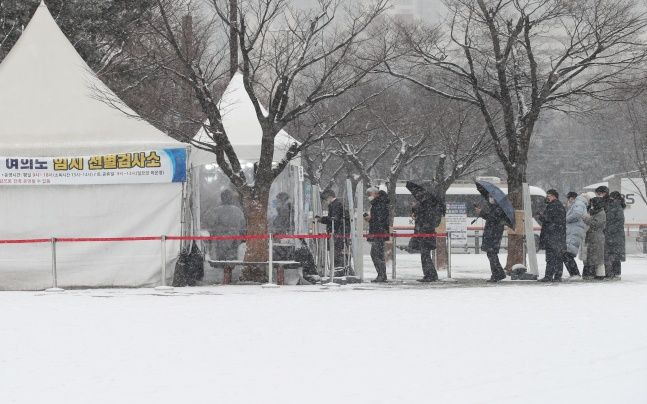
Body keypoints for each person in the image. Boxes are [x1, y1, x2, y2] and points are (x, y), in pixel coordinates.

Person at [405, 181, 444, 282]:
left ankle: (431, 275)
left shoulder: (430, 204)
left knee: (425, 254)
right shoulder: (425, 204)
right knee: (424, 255)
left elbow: (429, 220)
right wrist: (415, 210)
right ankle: (429, 274)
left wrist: (419, 215)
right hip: (423, 233)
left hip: (426, 233)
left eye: (419, 192)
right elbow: (422, 217)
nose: (417, 195)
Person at [475, 196, 508, 282]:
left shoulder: (499, 208)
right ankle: (498, 274)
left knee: (492, 254)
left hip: (494, 235)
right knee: (491, 254)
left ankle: (497, 274)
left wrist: (481, 213)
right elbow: (490, 217)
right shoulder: (494, 207)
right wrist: (481, 213)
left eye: (492, 197)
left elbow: (493, 218)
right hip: (491, 234)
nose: (490, 199)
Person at [536, 189, 567, 282]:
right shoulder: (557, 205)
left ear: (554, 196)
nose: (547, 197)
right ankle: (557, 275)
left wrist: (541, 216)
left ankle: (549, 276)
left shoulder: (554, 206)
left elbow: (549, 219)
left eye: (548, 196)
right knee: (557, 257)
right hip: (557, 235)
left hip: (553, 235)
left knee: (551, 257)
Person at [315, 189, 349, 268]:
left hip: (338, 233)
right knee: (338, 253)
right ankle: (340, 268)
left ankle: (338, 269)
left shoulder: (335, 205)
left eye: (325, 199)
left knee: (337, 253)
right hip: (340, 232)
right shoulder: (337, 204)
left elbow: (334, 219)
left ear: (329, 197)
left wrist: (322, 219)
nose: (325, 201)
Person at [210, 189, 246, 261]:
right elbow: (243, 226)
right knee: (231, 261)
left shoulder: (216, 211)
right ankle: (228, 270)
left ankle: (225, 270)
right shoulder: (238, 211)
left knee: (221, 261)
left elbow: (212, 225)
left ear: (222, 198)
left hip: (220, 239)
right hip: (234, 239)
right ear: (231, 198)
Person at [365, 187, 390, 283]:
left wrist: (370, 219)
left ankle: (382, 275)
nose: (369, 197)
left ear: (376, 194)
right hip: (379, 232)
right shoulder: (379, 203)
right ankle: (382, 275)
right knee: (378, 254)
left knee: (375, 254)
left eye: (369, 195)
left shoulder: (379, 204)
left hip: (379, 233)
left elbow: (379, 219)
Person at [563, 191, 587, 280]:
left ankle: (575, 274)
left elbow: (577, 214)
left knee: (567, 254)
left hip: (574, 231)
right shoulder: (578, 204)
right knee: (568, 253)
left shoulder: (578, 203)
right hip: (574, 231)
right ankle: (574, 274)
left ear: (571, 198)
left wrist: (565, 219)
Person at [583, 197, 607, 280]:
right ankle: (594, 273)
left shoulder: (601, 213)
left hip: (597, 237)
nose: (591, 205)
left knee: (598, 257)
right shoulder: (594, 212)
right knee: (592, 256)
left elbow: (595, 224)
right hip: (592, 237)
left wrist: (586, 219)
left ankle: (600, 274)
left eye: (593, 203)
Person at [605, 191, 626, 279]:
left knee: (614, 253)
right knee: (614, 253)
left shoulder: (617, 207)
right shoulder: (613, 206)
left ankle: (615, 272)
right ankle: (615, 272)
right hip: (613, 234)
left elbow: (619, 221)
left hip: (615, 234)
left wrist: (609, 229)